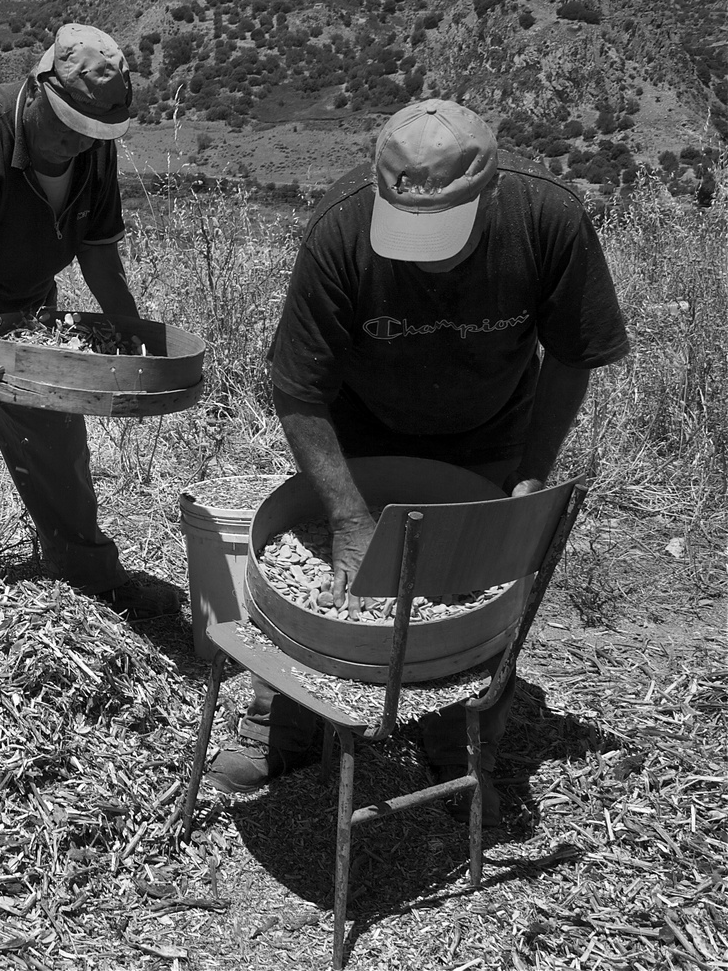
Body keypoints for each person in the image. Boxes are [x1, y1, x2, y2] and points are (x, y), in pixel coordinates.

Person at [203, 99, 629, 823]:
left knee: (472, 596)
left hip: (488, 432)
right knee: (327, 592)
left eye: (446, 232)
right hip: (358, 433)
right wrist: (345, 514)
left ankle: (455, 746)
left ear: (489, 191)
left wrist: (529, 470)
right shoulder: (341, 229)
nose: (424, 250)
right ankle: (287, 724)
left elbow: (572, 356)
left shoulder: (547, 220)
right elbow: (298, 387)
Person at [0, 22, 178, 628]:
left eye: (95, 133)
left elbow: (98, 250)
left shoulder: (94, 146)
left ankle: (89, 578)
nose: (80, 144)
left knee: (54, 444)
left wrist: (131, 336)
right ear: (40, 89)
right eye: (72, 127)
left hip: (25, 314)